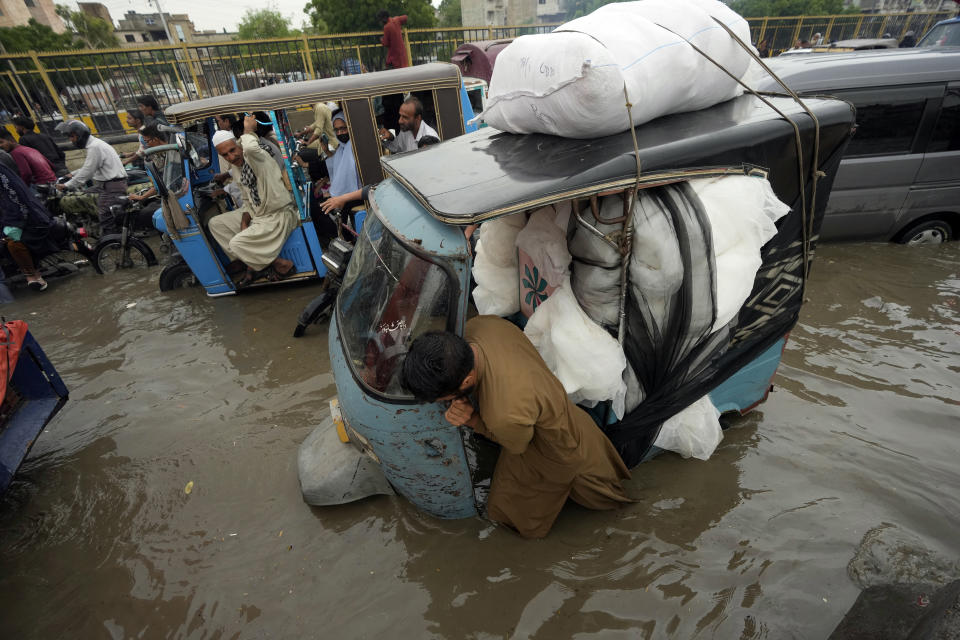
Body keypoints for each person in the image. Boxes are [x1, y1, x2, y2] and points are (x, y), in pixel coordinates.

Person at [401, 317, 633, 538]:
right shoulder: (481, 326)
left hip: (552, 451)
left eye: (442, 399)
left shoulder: (504, 414)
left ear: (466, 381)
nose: (443, 404)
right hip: (561, 411)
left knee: (507, 514)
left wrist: (471, 419)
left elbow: (517, 444)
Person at [208, 115, 299, 287]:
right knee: (216, 224)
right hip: (258, 214)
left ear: (239, 144)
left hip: (277, 215)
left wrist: (249, 130)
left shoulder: (258, 156)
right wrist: (244, 222)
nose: (231, 157)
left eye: (233, 150)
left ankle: (279, 264)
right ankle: (257, 262)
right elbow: (246, 199)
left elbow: (249, 148)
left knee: (236, 243)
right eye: (225, 155)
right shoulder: (236, 169)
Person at [55, 120, 128, 236]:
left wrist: (66, 185)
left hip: (112, 186)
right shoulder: (95, 144)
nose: (71, 140)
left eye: (72, 136)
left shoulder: (95, 147)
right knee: (84, 195)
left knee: (104, 212)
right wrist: (72, 174)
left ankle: (113, 240)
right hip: (107, 184)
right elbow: (91, 166)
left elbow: (88, 171)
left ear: (80, 134)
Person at [0, 162, 58, 290]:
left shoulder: (3, 173)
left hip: (22, 215)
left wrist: (16, 222)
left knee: (12, 241)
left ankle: (32, 274)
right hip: (9, 214)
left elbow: (14, 196)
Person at [322, 112, 360, 200]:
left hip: (356, 195)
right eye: (336, 130)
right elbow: (336, 164)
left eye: (343, 128)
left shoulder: (352, 146)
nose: (339, 133)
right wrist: (326, 151)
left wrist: (334, 194)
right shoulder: (342, 147)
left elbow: (347, 174)